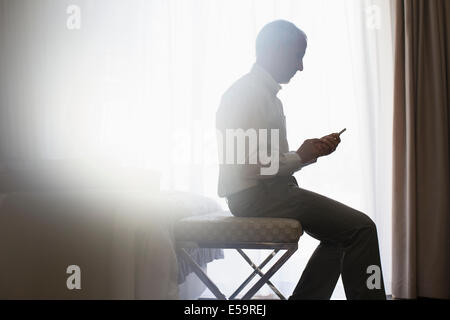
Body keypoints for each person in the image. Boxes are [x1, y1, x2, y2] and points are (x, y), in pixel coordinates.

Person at [216, 20, 387, 300]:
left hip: (268, 192)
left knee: (342, 235)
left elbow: (263, 161)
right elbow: (246, 165)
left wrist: (307, 155)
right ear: (276, 51)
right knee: (362, 228)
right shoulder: (245, 95)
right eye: (298, 56)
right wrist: (300, 156)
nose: (300, 66)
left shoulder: (266, 97)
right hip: (255, 196)